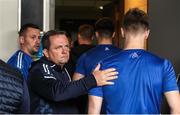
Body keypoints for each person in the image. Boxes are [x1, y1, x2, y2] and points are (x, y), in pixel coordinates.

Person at [88, 8, 180, 114]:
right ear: (147, 33)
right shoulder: (163, 65)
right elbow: (177, 108)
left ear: (122, 32)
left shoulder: (101, 67)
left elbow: (93, 111)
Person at [28, 30, 118, 114]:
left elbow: (70, 94)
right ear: (46, 52)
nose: (64, 51)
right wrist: (93, 80)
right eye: (58, 47)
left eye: (66, 46)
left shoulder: (64, 69)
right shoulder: (39, 69)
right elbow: (56, 92)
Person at [73, 17, 121, 113]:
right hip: (118, 107)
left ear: (96, 34)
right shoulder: (122, 54)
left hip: (92, 107)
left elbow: (75, 84)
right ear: (114, 34)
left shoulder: (86, 56)